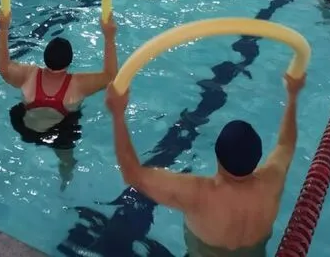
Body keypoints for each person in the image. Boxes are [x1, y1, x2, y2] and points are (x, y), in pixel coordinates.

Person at [105, 71, 306, 257]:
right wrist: (293, 95)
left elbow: (132, 174)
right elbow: (286, 144)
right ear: (258, 157)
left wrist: (117, 114)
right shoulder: (272, 181)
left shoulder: (198, 194)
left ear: (217, 156)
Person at [0, 11, 118, 188]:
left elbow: (2, 65)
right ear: (69, 62)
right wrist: (109, 37)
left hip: (25, 128)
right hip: (60, 135)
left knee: (17, 109)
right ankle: (65, 180)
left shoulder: (29, 75)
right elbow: (111, 75)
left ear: (45, 57)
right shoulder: (77, 84)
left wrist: (3, 29)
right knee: (67, 159)